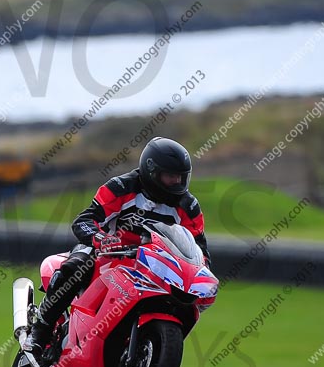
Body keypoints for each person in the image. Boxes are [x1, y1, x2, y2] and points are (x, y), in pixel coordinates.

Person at [24, 137, 211, 355]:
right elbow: (84, 221)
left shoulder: (188, 206)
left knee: (182, 301)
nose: (176, 183)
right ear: (151, 171)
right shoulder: (121, 187)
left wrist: (200, 270)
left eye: (181, 177)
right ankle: (41, 330)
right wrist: (101, 239)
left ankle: (153, 350)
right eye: (170, 177)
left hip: (153, 265)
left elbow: (200, 248)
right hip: (107, 254)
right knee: (76, 266)